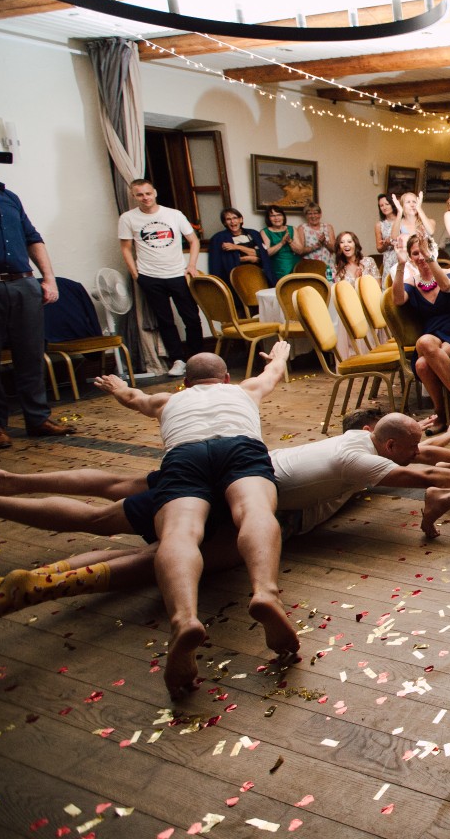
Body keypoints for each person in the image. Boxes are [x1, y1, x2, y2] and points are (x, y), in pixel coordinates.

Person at [0, 413, 450, 618]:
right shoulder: (360, 463)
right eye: (411, 444)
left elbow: (421, 454)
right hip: (248, 498)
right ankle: (47, 581)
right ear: (389, 445)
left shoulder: (356, 439)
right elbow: (425, 473)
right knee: (164, 556)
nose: (418, 449)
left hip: (227, 467)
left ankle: (11, 496)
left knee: (114, 497)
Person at [91, 344, 298, 697]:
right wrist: (278, 355)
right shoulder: (244, 390)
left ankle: (183, 620)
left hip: (184, 455)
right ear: (226, 378)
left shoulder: (168, 401)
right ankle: (266, 593)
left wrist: (117, 386)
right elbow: (273, 373)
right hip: (239, 446)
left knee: (179, 533)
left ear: (185, 383)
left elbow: (133, 397)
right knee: (254, 511)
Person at [0, 150, 74, 449]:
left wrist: (48, 278)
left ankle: (37, 419)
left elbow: (33, 238)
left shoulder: (8, 196)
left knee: (31, 353)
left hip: (24, 283)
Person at [392, 234, 450, 423]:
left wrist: (429, 257)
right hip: (433, 334)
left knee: (422, 365)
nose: (420, 256)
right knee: (424, 342)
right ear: (410, 257)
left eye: (424, 251)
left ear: (432, 251)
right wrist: (400, 265)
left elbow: (447, 287)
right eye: (415, 253)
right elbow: (398, 300)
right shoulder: (412, 282)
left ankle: (442, 413)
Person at [118, 179, 204, 378]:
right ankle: (178, 360)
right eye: (140, 195)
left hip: (178, 274)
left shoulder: (174, 214)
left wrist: (191, 265)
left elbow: (193, 241)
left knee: (191, 317)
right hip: (150, 277)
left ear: (155, 192)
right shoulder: (128, 218)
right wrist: (136, 274)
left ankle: (198, 359)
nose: (145, 198)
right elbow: (126, 248)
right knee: (165, 321)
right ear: (133, 196)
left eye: (148, 193)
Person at [207, 206, 268, 288]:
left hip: (257, 275)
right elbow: (218, 264)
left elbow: (261, 254)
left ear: (241, 219)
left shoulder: (254, 234)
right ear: (224, 223)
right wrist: (248, 258)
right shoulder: (218, 238)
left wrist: (236, 247)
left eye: (235, 218)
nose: (232, 221)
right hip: (235, 278)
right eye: (228, 219)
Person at [259, 203, 300, 282]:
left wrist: (290, 241)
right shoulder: (265, 232)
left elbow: (300, 250)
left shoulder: (292, 229)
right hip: (277, 268)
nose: (276, 218)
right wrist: (282, 242)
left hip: (295, 266)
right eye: (272, 216)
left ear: (283, 216)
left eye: (279, 215)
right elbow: (266, 253)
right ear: (268, 218)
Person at [295, 202, 336, 278]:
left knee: (330, 284)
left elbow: (334, 249)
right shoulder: (302, 228)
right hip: (310, 266)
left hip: (328, 265)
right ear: (306, 215)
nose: (313, 216)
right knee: (312, 285)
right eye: (310, 214)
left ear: (320, 214)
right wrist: (316, 246)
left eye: (316, 213)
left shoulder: (328, 227)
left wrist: (324, 242)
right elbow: (300, 251)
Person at [374, 193, 399, 275]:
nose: (384, 207)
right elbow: (379, 248)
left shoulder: (403, 221)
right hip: (389, 260)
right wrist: (386, 244)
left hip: (403, 257)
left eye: (387, 204)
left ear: (392, 204)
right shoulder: (379, 225)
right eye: (381, 205)